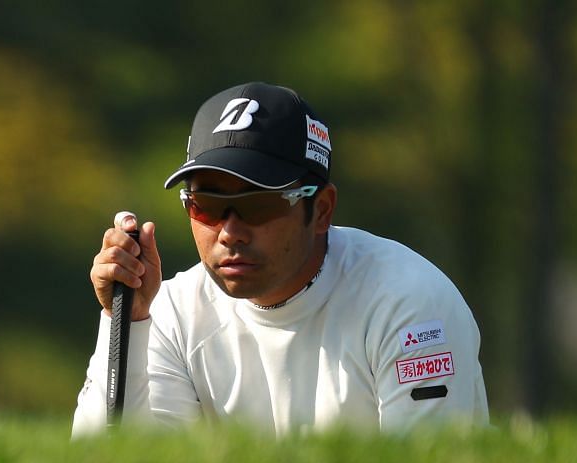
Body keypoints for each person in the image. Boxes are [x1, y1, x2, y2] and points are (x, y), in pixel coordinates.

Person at [74, 82, 489, 436]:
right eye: (206, 204)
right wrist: (124, 324)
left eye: (259, 204)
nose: (230, 230)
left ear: (322, 210)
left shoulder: (410, 305)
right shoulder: (171, 312)